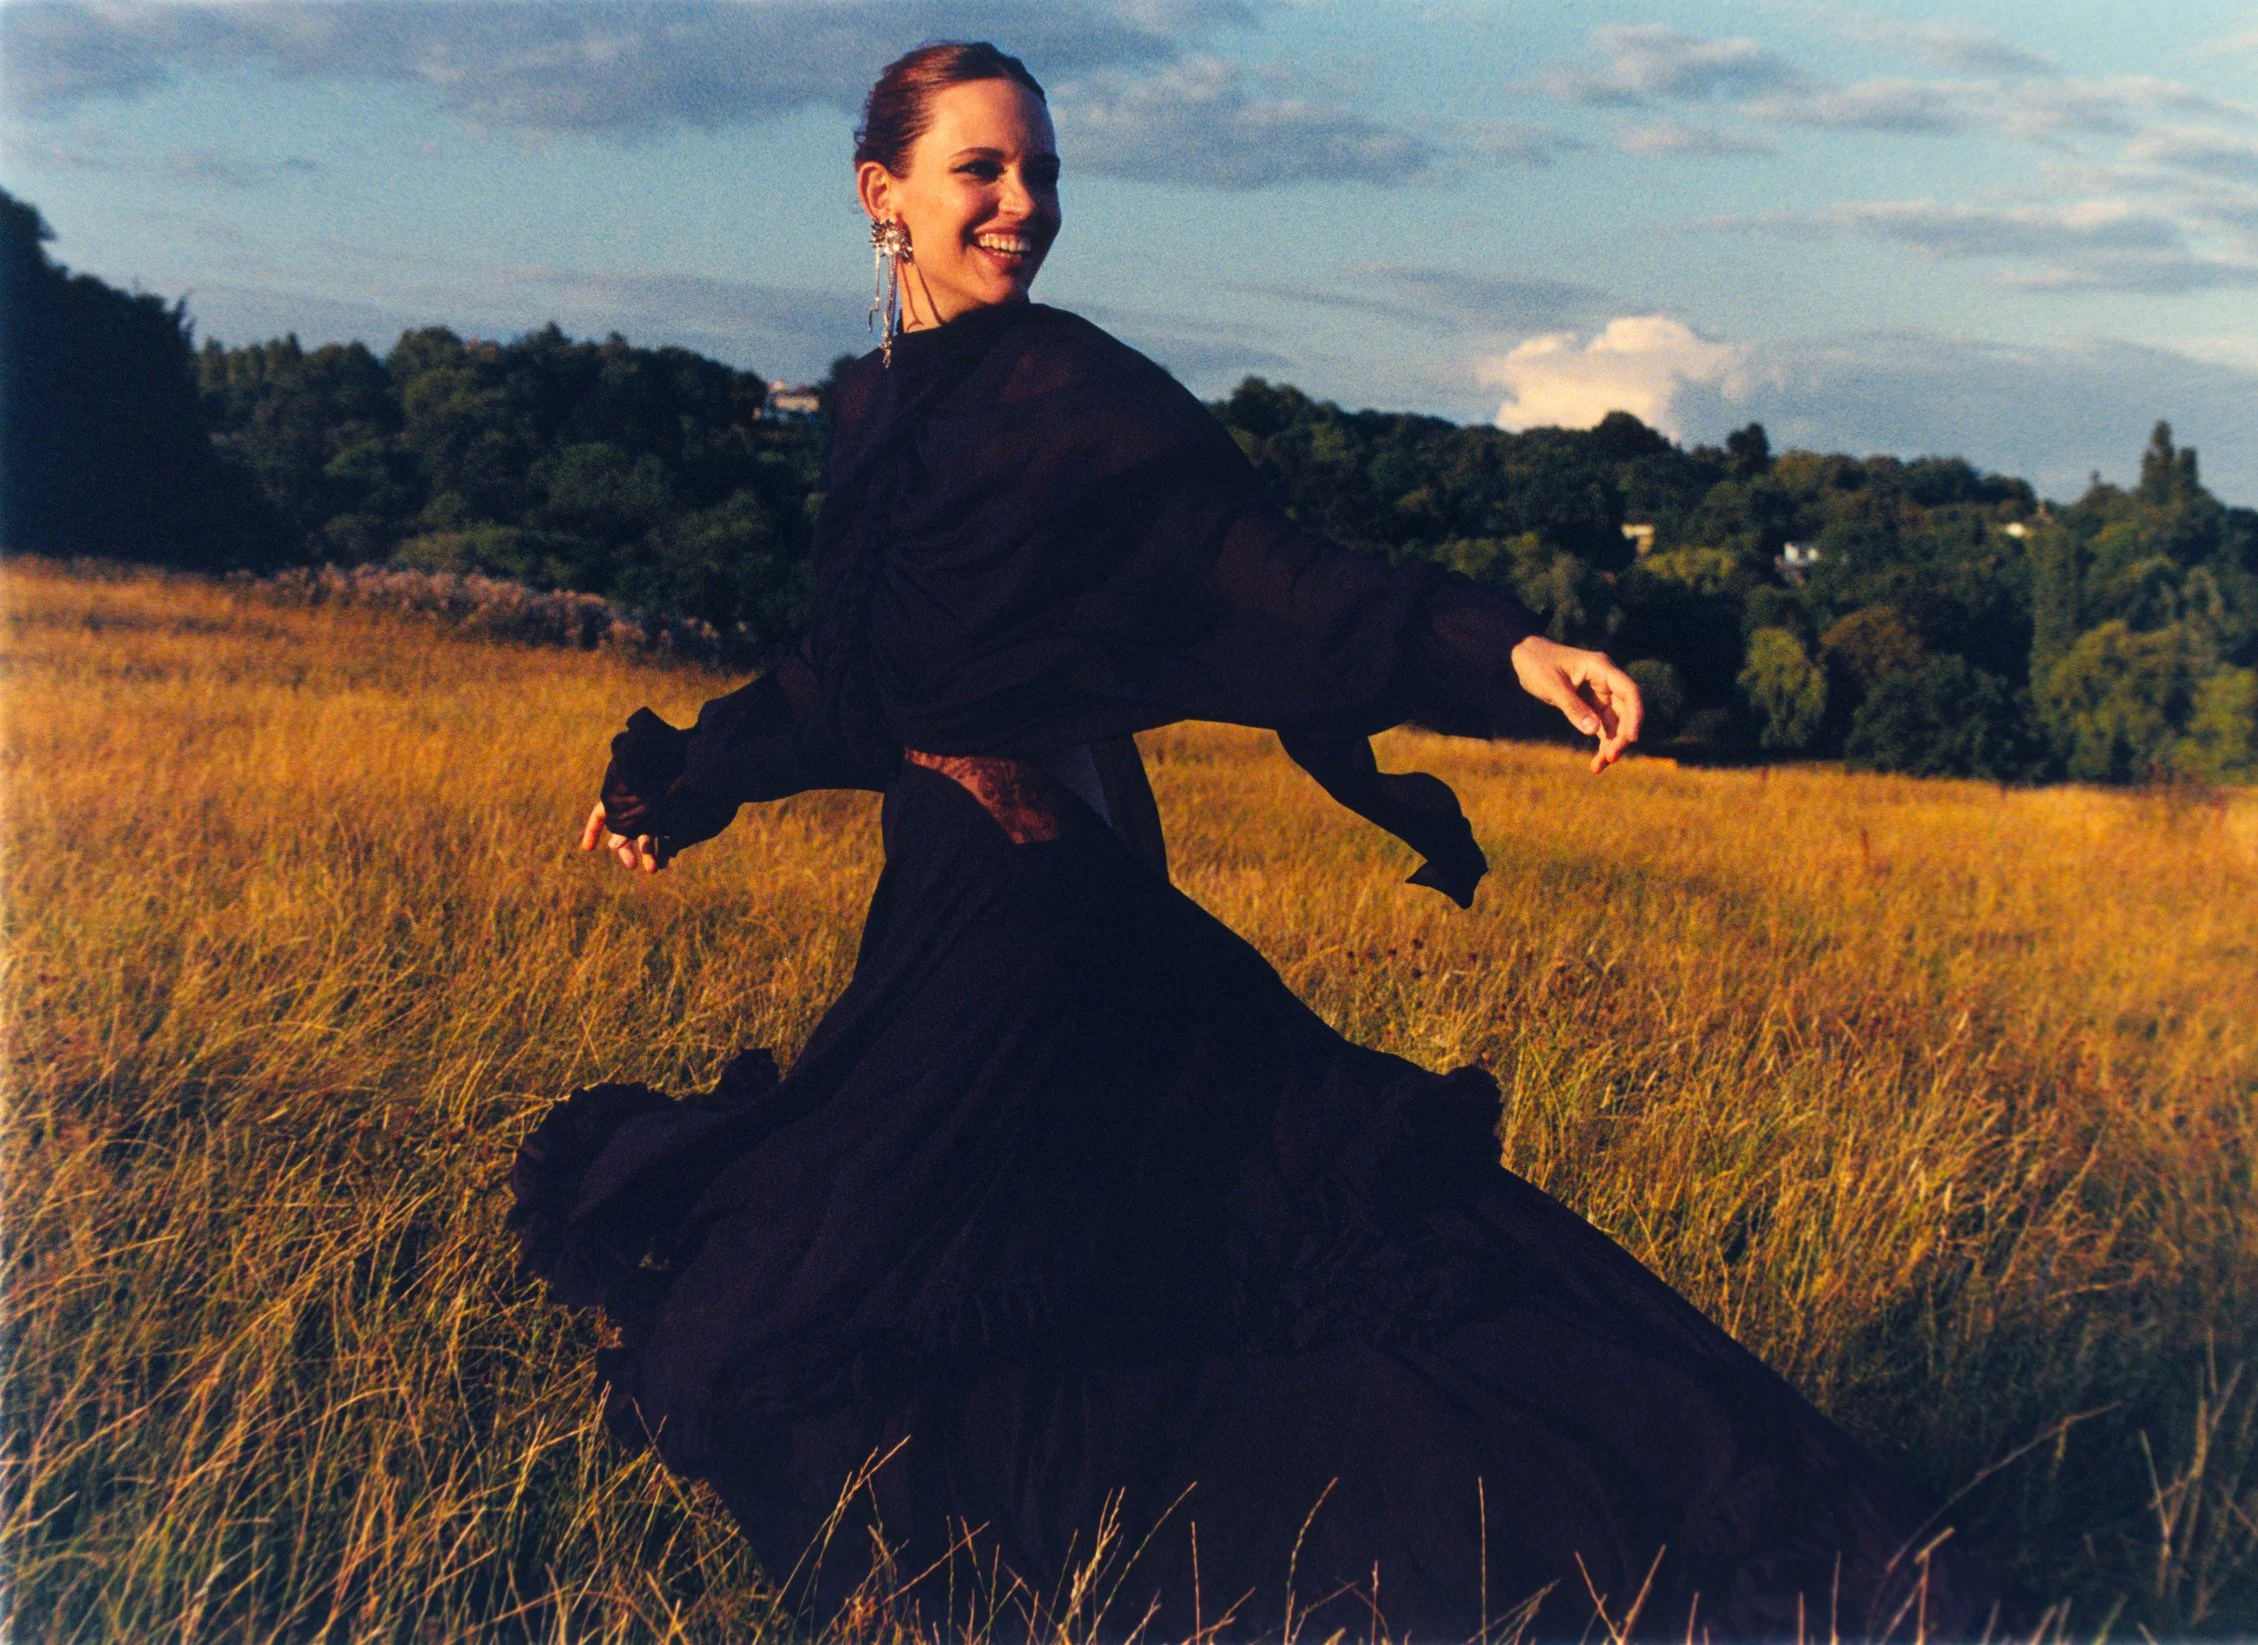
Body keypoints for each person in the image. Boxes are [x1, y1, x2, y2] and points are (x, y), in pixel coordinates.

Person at [512, 40, 1996, 1642]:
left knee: (875, 1295)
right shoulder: (871, 410)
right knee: (988, 1276)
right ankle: (1005, 1583)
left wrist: (1502, 651)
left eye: (1044, 173)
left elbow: (1272, 572)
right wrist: (683, 778)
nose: (1025, 204)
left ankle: (1673, 1558)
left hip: (1039, 924)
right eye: (983, 170)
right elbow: (857, 683)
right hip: (949, 911)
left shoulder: (1071, 392)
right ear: (884, 194)